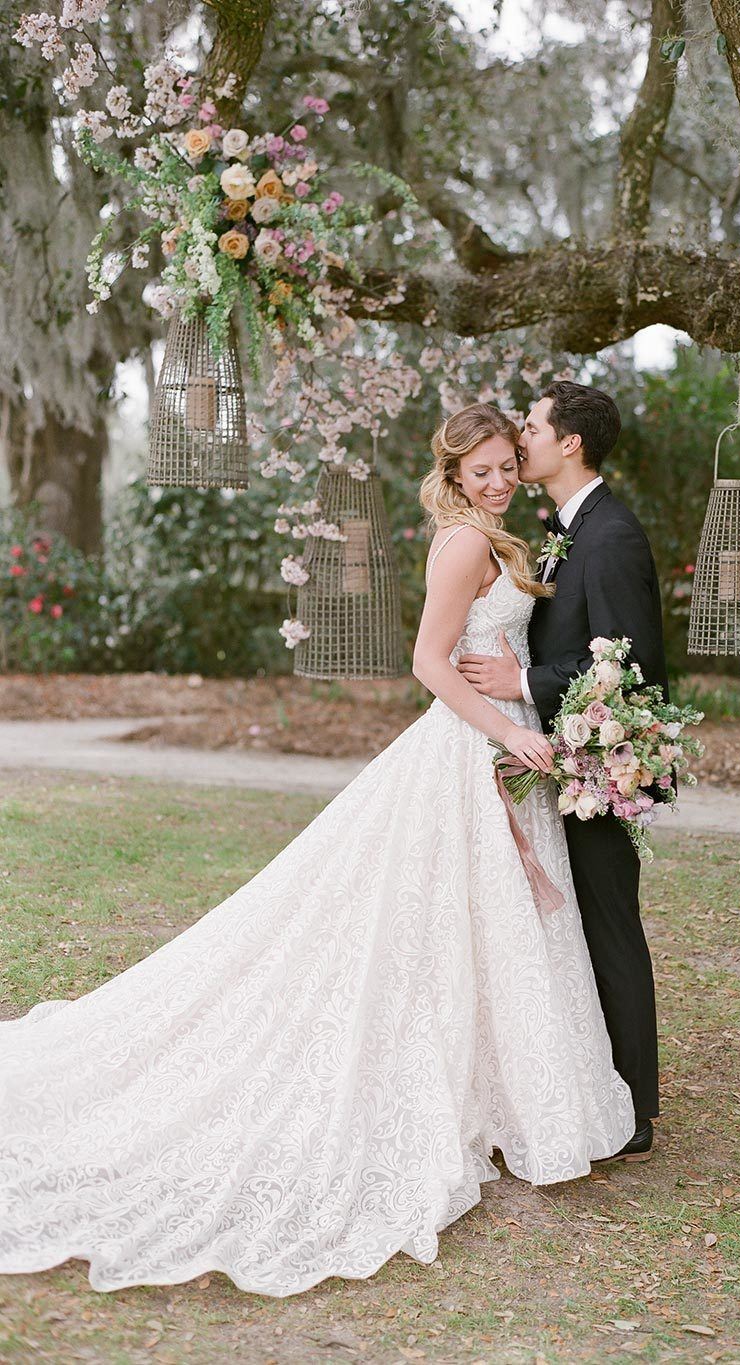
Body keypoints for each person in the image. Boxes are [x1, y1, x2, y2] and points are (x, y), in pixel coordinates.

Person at [0, 403, 634, 1299]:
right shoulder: (462, 545)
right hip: (476, 744)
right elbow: (428, 660)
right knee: (452, 917)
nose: (497, 480)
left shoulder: (501, 536)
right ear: (453, 477)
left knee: (492, 923)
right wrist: (508, 733)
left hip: (507, 735)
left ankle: (505, 1093)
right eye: (481, 470)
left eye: (504, 465)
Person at [457, 382, 669, 1160]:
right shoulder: (562, 529)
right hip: (560, 760)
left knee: (609, 921)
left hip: (599, 763)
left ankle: (635, 1107)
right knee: (573, 925)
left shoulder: (609, 535)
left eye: (533, 426)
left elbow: (629, 660)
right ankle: (595, 1083)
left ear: (568, 441)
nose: (522, 439)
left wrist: (522, 684)